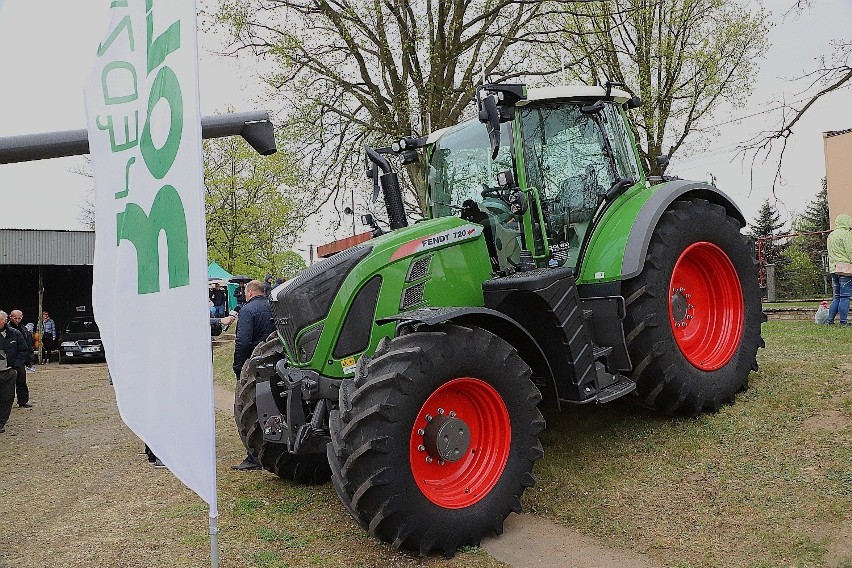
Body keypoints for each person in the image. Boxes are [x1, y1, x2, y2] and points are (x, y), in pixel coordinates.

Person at [231, 279, 274, 471]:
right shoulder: (274, 306)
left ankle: (254, 455)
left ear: (249, 293)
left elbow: (243, 341)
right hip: (276, 362)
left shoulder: (247, 311)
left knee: (251, 410)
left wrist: (238, 366)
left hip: (254, 365)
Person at [0, 311, 27, 434]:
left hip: (8, 371)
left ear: (4, 321)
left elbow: (23, 350)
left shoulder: (14, 334)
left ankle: (1, 422)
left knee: (7, 398)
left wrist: (15, 366)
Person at [826, 213, 852, 327]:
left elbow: (830, 252)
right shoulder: (846, 234)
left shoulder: (831, 235)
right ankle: (843, 322)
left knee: (836, 296)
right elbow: (850, 251)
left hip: (834, 269)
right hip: (846, 269)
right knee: (845, 297)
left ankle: (830, 321)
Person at [8, 310, 34, 408]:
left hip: (21, 359)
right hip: (10, 359)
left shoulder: (24, 329)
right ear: (11, 317)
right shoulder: (7, 329)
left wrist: (30, 360)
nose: (17, 320)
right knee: (8, 383)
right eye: (15, 318)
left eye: (19, 318)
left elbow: (28, 346)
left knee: (21, 381)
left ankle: (22, 401)